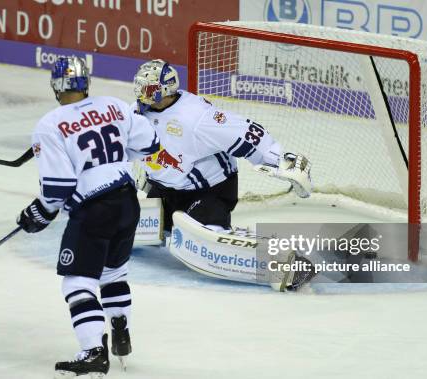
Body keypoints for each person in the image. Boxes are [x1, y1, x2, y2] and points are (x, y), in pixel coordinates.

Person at [16, 56, 159, 377]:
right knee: (112, 274)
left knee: (77, 282)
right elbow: (150, 144)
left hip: (93, 210)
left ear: (55, 86)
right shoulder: (113, 105)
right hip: (127, 201)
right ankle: (120, 332)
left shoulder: (49, 124)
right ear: (86, 84)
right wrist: (117, 157)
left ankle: (94, 352)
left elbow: (58, 186)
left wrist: (36, 214)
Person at [133, 59, 312, 233]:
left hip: (208, 192)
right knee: (128, 222)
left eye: (147, 89)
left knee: (199, 234)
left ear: (165, 89)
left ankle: (217, 229)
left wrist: (280, 160)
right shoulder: (137, 112)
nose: (141, 94)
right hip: (165, 191)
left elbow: (245, 132)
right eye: (140, 87)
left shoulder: (195, 115)